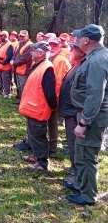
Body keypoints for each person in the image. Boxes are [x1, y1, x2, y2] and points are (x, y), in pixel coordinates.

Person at [64, 24, 108, 206]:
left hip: (92, 118)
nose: (77, 40)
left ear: (86, 39)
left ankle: (88, 196)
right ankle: (82, 186)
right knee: (82, 153)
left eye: (79, 37)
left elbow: (95, 95)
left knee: (87, 156)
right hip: (88, 115)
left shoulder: (97, 60)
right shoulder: (95, 57)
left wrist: (83, 122)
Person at [19, 41, 57, 171]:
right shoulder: (39, 65)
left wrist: (52, 107)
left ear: (40, 53)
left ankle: (42, 163)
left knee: (38, 136)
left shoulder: (47, 68)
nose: (31, 53)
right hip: (32, 107)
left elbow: (50, 93)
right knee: (33, 134)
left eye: (33, 51)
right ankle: (36, 155)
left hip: (38, 108)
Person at [59, 38, 86, 183]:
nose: (70, 51)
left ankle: (77, 176)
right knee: (71, 143)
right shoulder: (78, 64)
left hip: (74, 113)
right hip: (70, 111)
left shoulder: (83, 66)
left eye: (73, 48)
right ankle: (75, 168)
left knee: (76, 145)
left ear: (81, 51)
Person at [48, 35, 71, 157]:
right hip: (50, 97)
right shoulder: (52, 58)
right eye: (50, 45)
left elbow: (58, 83)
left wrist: (54, 101)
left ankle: (52, 149)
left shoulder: (60, 60)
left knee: (52, 123)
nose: (52, 47)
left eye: (55, 45)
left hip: (55, 99)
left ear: (60, 46)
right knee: (50, 123)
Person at [10, 30, 33, 105]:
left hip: (24, 70)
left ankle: (24, 102)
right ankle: (20, 100)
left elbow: (24, 58)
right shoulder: (20, 43)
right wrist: (13, 59)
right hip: (18, 69)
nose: (21, 37)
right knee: (19, 86)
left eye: (23, 36)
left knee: (24, 87)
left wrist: (14, 62)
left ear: (27, 36)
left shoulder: (30, 45)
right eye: (20, 36)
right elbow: (16, 54)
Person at [0, 31, 14, 98]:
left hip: (5, 66)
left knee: (6, 80)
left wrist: (3, 63)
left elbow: (9, 56)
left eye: (1, 36)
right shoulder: (1, 44)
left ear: (5, 36)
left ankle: (7, 93)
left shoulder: (9, 45)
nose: (0, 37)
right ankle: (0, 91)